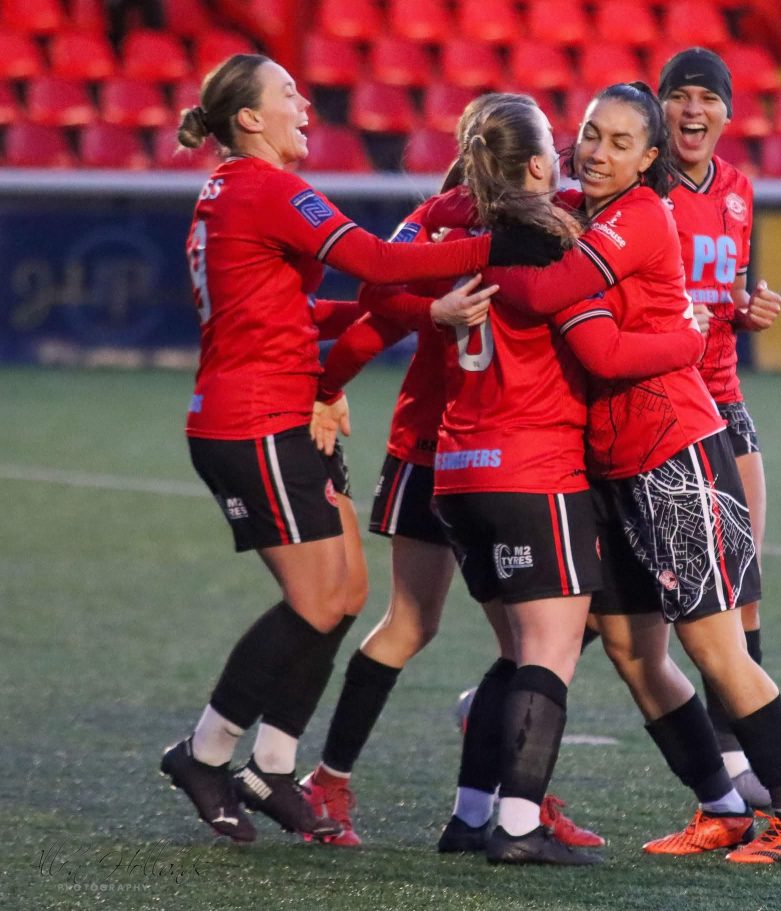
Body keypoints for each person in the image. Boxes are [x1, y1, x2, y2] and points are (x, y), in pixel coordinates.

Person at [158, 54, 563, 844]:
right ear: (249, 119)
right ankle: (204, 751)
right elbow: (378, 264)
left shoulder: (237, 191)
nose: (304, 103)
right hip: (254, 419)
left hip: (279, 407)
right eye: (287, 94)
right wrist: (493, 250)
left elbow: (303, 309)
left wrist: (415, 315)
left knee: (344, 593)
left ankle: (273, 765)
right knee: (318, 599)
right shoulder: (265, 187)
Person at [483, 82, 781, 865]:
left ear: (648, 159)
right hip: (615, 467)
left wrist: (685, 339)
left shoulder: (638, 215)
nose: (596, 152)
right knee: (631, 649)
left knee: (717, 648)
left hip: (677, 455)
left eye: (619, 142)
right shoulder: (580, 212)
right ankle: (722, 809)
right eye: (589, 134)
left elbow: (588, 336)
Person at [297, 93, 606, 851]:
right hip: (475, 450)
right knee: (515, 637)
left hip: (439, 450)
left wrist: (330, 384)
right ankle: (488, 789)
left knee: (480, 635)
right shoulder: (549, 219)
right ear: (534, 160)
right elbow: (381, 302)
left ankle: (462, 780)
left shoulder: (440, 217)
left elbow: (375, 303)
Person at [428, 95, 707, 866]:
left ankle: (470, 813)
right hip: (531, 465)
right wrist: (687, 336)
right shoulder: (553, 242)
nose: (581, 158)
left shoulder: (464, 229)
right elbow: (598, 346)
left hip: (457, 469)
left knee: (516, 652)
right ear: (538, 164)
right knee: (549, 652)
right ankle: (519, 825)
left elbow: (395, 268)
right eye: (571, 143)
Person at [659, 46, 781, 811]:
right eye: (680, 95)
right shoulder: (644, 186)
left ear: (728, 113)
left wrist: (748, 307)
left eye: (707, 97)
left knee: (744, 587)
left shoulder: (738, 188)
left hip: (723, 396)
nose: (693, 108)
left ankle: (738, 758)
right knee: (626, 605)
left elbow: (727, 289)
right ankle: (505, 694)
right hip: (664, 400)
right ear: (661, 107)